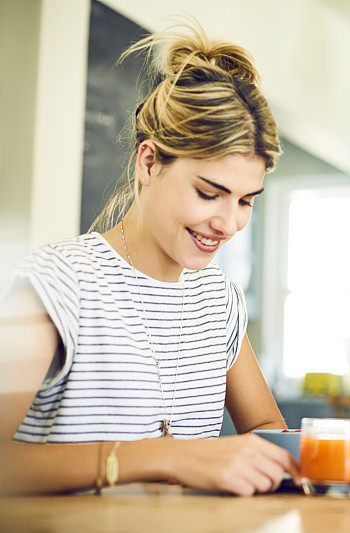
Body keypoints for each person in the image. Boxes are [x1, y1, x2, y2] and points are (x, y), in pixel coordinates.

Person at [0, 24, 300, 496]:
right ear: (148, 163)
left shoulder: (217, 299)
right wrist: (167, 455)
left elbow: (264, 428)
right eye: (208, 193)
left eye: (246, 201)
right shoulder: (59, 282)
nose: (228, 223)